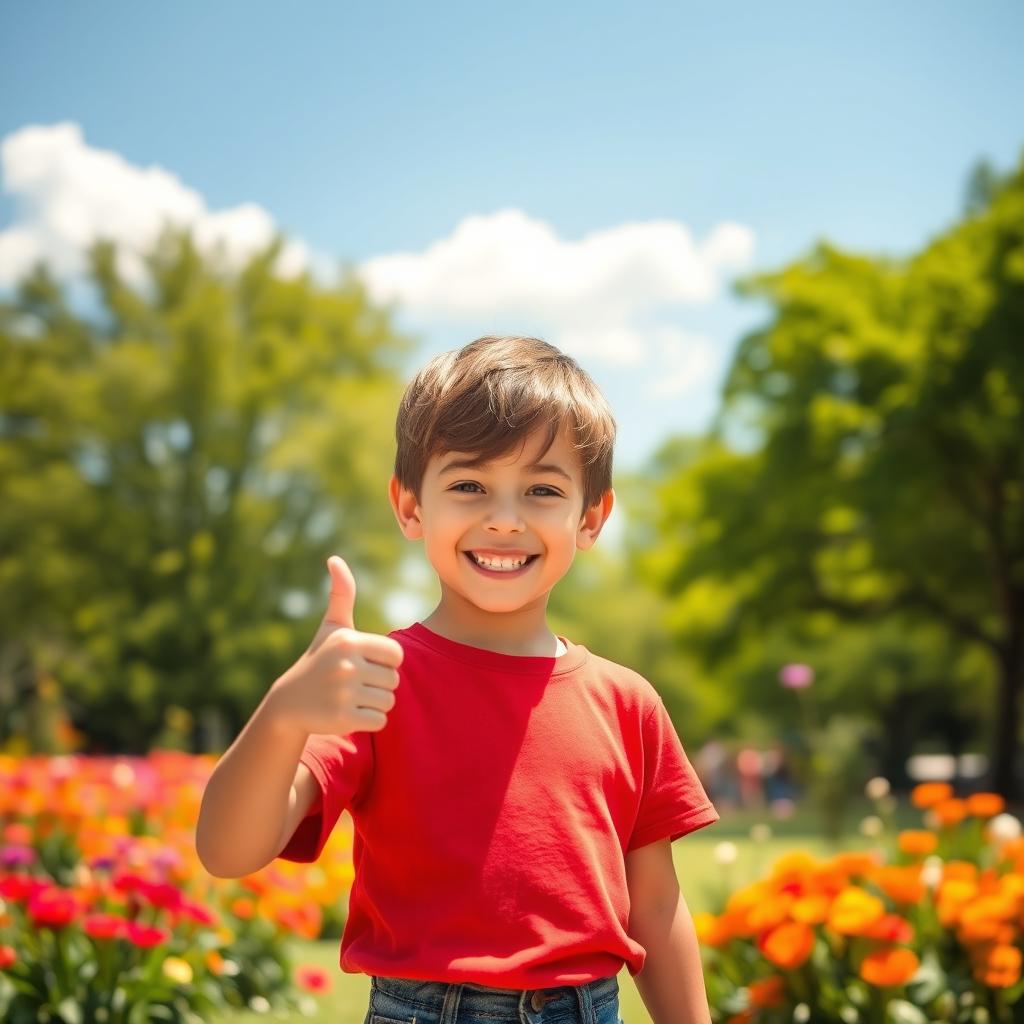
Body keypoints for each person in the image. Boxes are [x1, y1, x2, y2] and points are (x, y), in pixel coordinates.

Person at [196, 336, 720, 1024]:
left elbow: (654, 904)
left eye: (542, 490)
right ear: (411, 507)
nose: (504, 518)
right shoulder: (377, 682)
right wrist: (286, 713)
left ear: (590, 517)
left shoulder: (628, 703)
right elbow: (228, 851)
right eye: (469, 485)